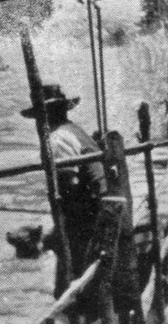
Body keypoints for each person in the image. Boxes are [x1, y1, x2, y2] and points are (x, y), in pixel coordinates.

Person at [22, 84, 106, 281]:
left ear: (43, 116)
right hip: (96, 205)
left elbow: (70, 185)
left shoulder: (57, 139)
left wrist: (57, 231)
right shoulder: (73, 130)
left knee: (69, 280)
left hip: (91, 213)